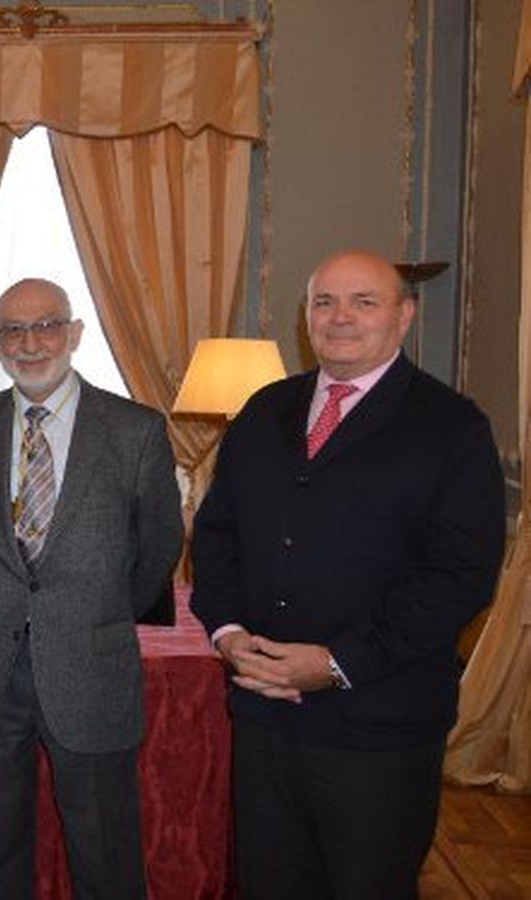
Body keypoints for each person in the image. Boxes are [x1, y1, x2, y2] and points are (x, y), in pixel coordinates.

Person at [191, 249, 505, 899]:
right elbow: (216, 535)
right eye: (324, 302)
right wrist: (225, 631)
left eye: (364, 301)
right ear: (306, 317)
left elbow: (460, 576)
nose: (340, 318)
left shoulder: (452, 427)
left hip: (378, 724)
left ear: (404, 316)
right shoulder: (264, 411)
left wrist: (337, 662)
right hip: (263, 718)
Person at [0, 278, 183, 899]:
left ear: (75, 333)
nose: (30, 343)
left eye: (46, 325)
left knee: (105, 852)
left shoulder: (136, 430)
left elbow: (158, 548)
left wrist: (92, 616)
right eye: (14, 331)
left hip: (91, 667)